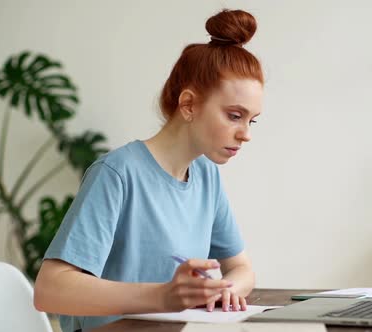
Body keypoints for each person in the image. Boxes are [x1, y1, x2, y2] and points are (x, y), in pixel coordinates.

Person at [33, 8, 265, 332]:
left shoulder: (206, 176)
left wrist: (224, 290)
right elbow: (50, 291)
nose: (247, 133)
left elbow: (241, 268)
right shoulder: (117, 173)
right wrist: (165, 296)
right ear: (188, 105)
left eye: (252, 120)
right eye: (234, 115)